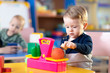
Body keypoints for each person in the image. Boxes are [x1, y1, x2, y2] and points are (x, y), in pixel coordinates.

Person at [60, 5, 93, 70]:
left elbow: (87, 50)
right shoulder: (64, 39)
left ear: (84, 26)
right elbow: (61, 56)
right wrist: (60, 50)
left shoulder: (86, 38)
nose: (70, 30)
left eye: (74, 27)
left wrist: (75, 46)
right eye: (67, 27)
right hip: (69, 69)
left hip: (84, 69)